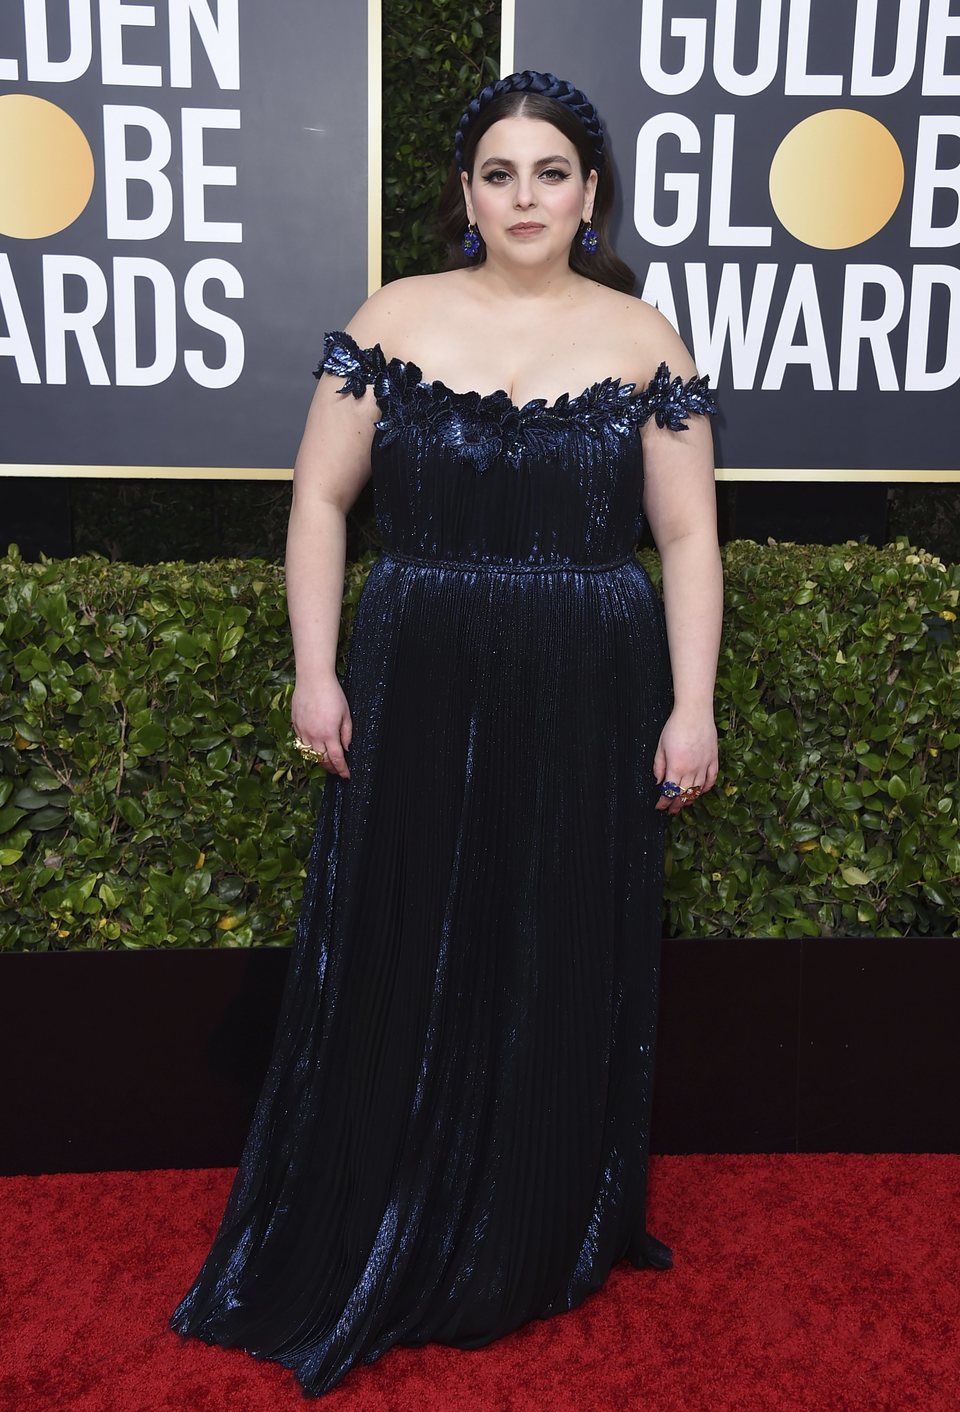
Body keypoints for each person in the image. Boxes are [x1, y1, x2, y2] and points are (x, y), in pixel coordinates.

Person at [169, 70, 722, 1398]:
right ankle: (382, 1205)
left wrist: (692, 701)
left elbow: (692, 531)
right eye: (498, 172)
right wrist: (316, 670)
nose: (524, 196)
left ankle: (533, 1222)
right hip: (414, 668)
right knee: (402, 927)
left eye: (550, 173)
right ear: (464, 195)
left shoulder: (649, 339)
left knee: (556, 934)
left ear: (590, 197)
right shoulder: (392, 318)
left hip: (591, 676)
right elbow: (318, 501)